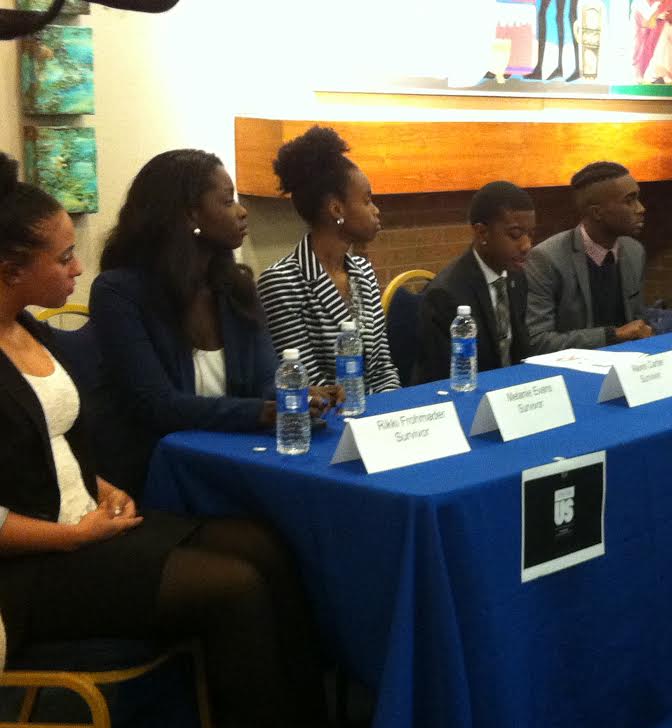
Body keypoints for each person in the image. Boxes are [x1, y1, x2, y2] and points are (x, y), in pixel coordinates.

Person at [0, 153, 331, 728]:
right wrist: (77, 533)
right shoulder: (119, 295)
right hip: (34, 567)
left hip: (88, 525)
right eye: (63, 255)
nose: (79, 265)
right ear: (9, 268)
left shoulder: (31, 331)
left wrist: (98, 486)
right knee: (235, 587)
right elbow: (153, 407)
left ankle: (307, 724)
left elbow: (64, 440)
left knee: (267, 546)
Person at [89, 149, 341, 498]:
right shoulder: (119, 293)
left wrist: (298, 397)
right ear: (189, 214)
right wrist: (263, 413)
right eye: (226, 202)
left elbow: (264, 384)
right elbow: (157, 406)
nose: (242, 211)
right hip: (163, 476)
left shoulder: (235, 289)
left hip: (238, 462)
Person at [257, 127, 400, 393]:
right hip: (323, 422)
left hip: (373, 417)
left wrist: (392, 417)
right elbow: (306, 380)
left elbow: (383, 368)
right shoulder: (281, 282)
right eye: (367, 200)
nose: (376, 210)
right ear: (336, 209)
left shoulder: (363, 272)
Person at [525, 161, 652, 355]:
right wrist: (612, 335)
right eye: (629, 201)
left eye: (638, 198)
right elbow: (537, 341)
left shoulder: (634, 252)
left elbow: (637, 322)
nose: (640, 208)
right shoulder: (546, 259)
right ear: (597, 212)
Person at [415, 181, 535, 383]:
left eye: (530, 234)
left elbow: (519, 353)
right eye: (515, 234)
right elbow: (441, 376)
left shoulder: (516, 278)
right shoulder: (445, 294)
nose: (526, 245)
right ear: (482, 233)